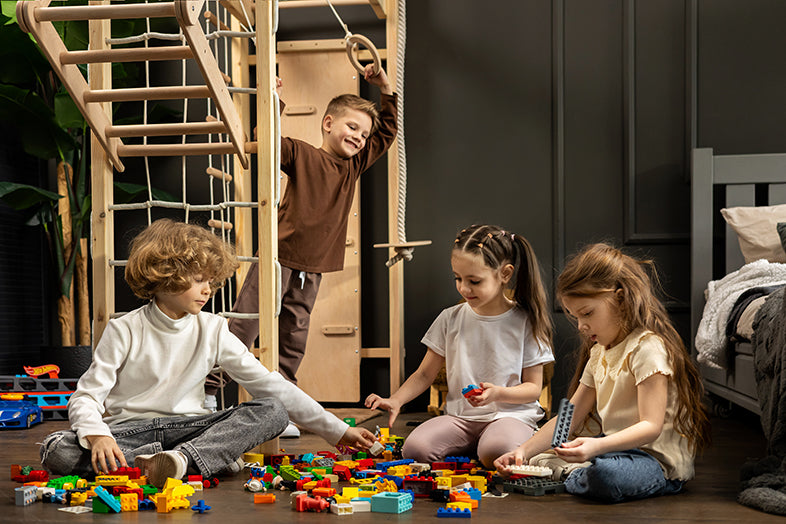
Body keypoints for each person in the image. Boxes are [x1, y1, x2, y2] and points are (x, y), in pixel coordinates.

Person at [39, 219, 375, 488]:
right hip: (130, 432)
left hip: (191, 428)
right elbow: (86, 397)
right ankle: (195, 460)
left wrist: (337, 430)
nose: (208, 289)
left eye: (210, 281)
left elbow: (270, 386)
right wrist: (98, 436)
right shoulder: (123, 329)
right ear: (165, 275)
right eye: (199, 280)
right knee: (55, 448)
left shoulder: (213, 329)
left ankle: (179, 460)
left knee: (273, 410)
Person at [207, 65, 397, 437]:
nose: (359, 138)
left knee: (293, 338)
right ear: (328, 123)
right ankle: (207, 392)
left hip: (313, 268)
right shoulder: (301, 153)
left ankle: (279, 409)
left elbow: (388, 132)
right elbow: (266, 140)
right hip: (278, 258)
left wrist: (386, 87)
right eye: (352, 127)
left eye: (364, 134)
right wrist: (273, 101)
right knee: (244, 326)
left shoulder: (354, 166)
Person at [494, 243, 712, 503]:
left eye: (587, 313)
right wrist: (523, 451)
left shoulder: (648, 349)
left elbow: (651, 427)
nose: (581, 326)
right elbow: (569, 417)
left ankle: (572, 473)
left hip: (653, 463)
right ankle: (575, 470)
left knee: (606, 476)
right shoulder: (598, 353)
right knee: (540, 457)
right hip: (612, 451)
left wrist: (596, 446)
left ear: (620, 299)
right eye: (575, 317)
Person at [365, 224, 554, 469]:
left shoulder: (525, 321)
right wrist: (396, 400)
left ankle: (492, 444)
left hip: (509, 416)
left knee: (496, 451)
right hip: (461, 418)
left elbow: (533, 388)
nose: (464, 288)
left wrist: (497, 393)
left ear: (505, 274)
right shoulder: (450, 318)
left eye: (474, 281)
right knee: (415, 449)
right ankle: (475, 447)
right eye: (458, 278)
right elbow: (424, 374)